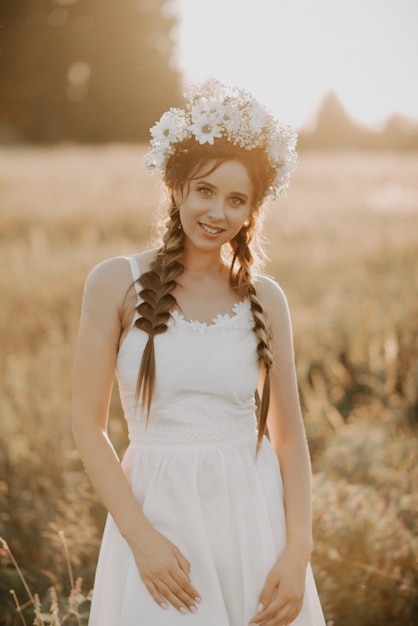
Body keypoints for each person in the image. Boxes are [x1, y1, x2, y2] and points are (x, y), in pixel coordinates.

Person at [72, 80, 326, 626]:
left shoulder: (266, 298)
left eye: (238, 200)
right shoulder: (115, 282)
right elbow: (86, 427)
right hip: (157, 517)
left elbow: (289, 436)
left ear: (254, 209)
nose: (218, 212)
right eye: (205, 191)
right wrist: (142, 541)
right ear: (176, 187)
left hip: (253, 518)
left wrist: (297, 547)